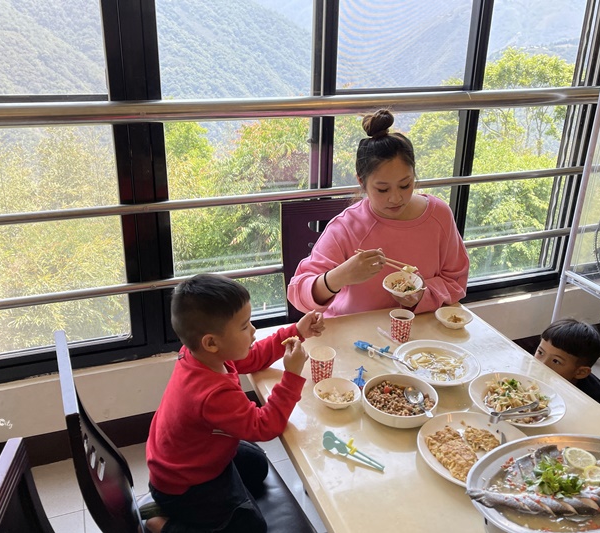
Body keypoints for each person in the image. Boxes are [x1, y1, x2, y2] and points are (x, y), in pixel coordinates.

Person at [145, 274, 325, 533]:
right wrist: (292, 376)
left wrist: (296, 331)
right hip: (185, 485)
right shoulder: (213, 393)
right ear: (211, 342)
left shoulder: (201, 354)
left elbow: (251, 358)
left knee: (257, 465)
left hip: (184, 460)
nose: (253, 330)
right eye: (244, 326)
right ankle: (163, 525)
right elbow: (264, 427)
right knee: (251, 526)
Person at [287, 108, 469, 317]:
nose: (395, 198)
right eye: (382, 189)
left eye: (405, 185)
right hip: (354, 333)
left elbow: (456, 280)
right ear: (361, 182)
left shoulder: (438, 215)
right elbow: (297, 293)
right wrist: (338, 277)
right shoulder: (347, 227)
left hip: (418, 330)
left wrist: (421, 295)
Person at [534, 318, 600, 412]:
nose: (543, 364)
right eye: (540, 352)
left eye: (556, 361)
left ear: (581, 372)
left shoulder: (594, 404)